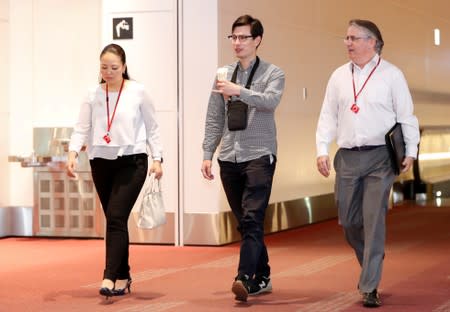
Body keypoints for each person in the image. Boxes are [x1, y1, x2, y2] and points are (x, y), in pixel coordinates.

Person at [316, 19, 420, 308]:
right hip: (347, 157)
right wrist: (321, 149)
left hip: (380, 159)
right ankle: (372, 258)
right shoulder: (338, 76)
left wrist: (410, 150)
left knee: (373, 219)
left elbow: (406, 116)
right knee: (349, 221)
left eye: (354, 38)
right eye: (346, 38)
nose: (348, 43)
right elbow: (328, 116)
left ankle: (370, 284)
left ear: (373, 42)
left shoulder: (391, 75)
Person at [66, 43, 163, 298]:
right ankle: (123, 274)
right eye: (104, 67)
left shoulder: (138, 92)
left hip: (132, 161)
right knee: (114, 219)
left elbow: (153, 127)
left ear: (124, 67)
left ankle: (109, 276)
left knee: (117, 216)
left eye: (114, 67)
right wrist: (73, 152)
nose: (108, 72)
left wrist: (158, 158)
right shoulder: (92, 94)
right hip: (100, 161)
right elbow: (81, 127)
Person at [201, 15, 285, 302]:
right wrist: (207, 153)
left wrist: (240, 92)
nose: (237, 43)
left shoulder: (274, 73)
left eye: (243, 37)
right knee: (245, 221)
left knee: (252, 219)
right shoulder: (222, 73)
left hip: (260, 155)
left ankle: (244, 277)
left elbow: (270, 101)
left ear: (257, 40)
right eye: (233, 37)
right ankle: (263, 276)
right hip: (229, 157)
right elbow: (214, 117)